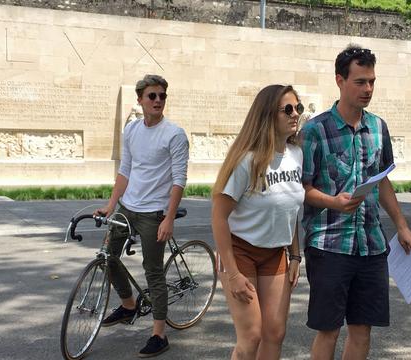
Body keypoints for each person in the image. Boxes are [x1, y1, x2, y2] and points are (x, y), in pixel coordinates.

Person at [299, 44, 411, 360]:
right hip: (328, 244)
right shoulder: (314, 130)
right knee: (329, 329)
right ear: (340, 80)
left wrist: (402, 226)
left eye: (372, 82)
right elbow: (302, 188)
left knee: (363, 330)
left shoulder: (378, 127)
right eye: (360, 81)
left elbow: (384, 181)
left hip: (371, 244)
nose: (368, 89)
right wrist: (333, 202)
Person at [95, 74, 189, 358]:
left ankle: (159, 335)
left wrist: (169, 218)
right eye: (152, 96)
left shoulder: (174, 134)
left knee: (153, 271)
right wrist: (111, 206)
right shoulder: (132, 131)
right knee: (107, 258)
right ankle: (128, 305)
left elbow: (179, 179)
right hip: (128, 207)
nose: (158, 100)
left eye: (162, 96)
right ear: (140, 100)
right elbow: (125, 171)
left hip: (154, 213)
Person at [211, 84, 305, 360]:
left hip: (276, 253)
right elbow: (218, 216)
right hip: (240, 252)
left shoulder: (296, 155)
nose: (295, 114)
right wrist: (232, 273)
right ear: (267, 115)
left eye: (298, 107)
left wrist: (296, 255)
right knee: (251, 337)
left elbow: (290, 209)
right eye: (287, 109)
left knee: (275, 333)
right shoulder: (247, 160)